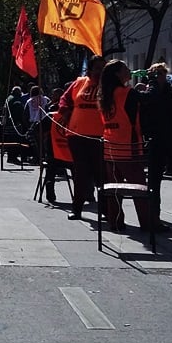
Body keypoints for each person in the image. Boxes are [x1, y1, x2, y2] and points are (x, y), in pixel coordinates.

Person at [99, 59, 154, 231]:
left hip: (109, 146)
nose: (129, 71)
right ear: (117, 74)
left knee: (114, 188)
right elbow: (149, 99)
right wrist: (154, 81)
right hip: (127, 147)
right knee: (139, 186)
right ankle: (146, 223)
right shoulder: (126, 93)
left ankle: (115, 222)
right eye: (125, 69)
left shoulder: (104, 95)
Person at [138, 62, 172, 224]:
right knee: (154, 179)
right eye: (154, 74)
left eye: (161, 73)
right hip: (157, 139)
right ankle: (155, 212)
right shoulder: (150, 91)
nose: (158, 77)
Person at [60, 55, 106, 220]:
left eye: (103, 68)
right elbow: (64, 99)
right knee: (81, 174)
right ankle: (77, 209)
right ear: (90, 69)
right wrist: (65, 111)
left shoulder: (109, 86)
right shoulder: (79, 83)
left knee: (101, 175)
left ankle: (106, 210)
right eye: (97, 68)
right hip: (77, 135)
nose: (100, 72)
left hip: (100, 137)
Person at [3, 86, 26, 163]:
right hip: (15, 123)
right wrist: (21, 121)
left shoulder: (9, 98)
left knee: (10, 141)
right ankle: (13, 157)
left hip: (8, 123)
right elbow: (18, 112)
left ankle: (10, 157)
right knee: (16, 140)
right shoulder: (16, 100)